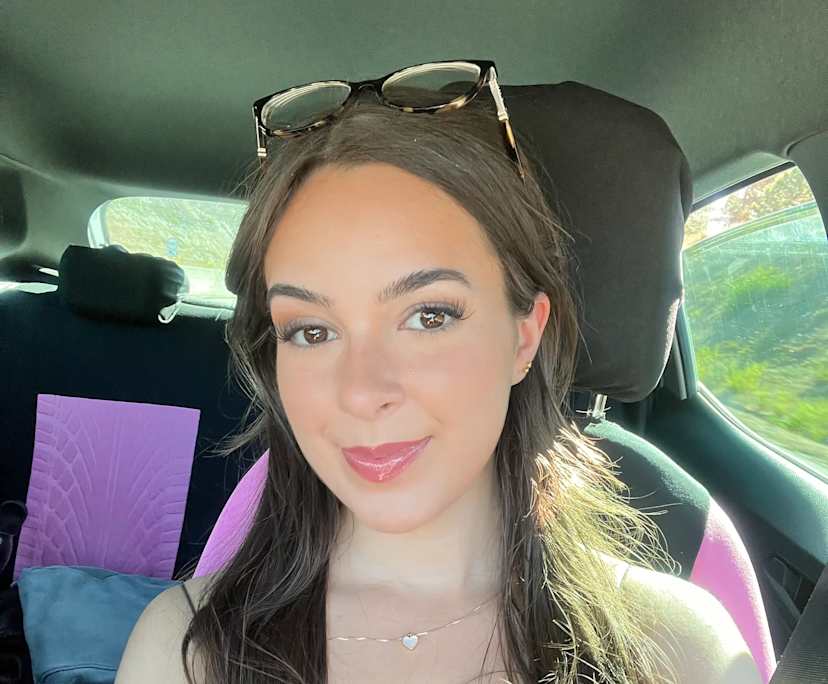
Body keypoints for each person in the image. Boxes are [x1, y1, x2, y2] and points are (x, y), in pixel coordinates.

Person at [116, 63, 762, 684]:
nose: (362, 392)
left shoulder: (680, 650)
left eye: (429, 316)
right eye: (311, 330)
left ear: (524, 336)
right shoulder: (185, 649)